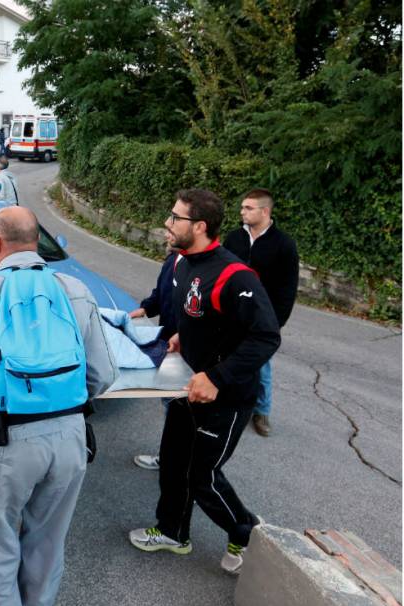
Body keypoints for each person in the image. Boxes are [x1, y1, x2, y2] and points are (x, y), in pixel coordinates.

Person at [0, 207, 117, 606]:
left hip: (7, 440)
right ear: (36, 242)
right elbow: (103, 375)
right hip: (71, 439)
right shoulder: (75, 290)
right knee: (48, 541)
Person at [128, 188, 280, 576]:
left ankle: (248, 534)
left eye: (174, 217)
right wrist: (180, 336)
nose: (167, 222)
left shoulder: (235, 275)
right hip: (186, 386)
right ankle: (173, 532)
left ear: (198, 226)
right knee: (174, 464)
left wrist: (217, 376)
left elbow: (265, 336)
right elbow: (191, 313)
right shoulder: (180, 263)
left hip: (226, 396)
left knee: (203, 478)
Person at [223, 188, 299, 437]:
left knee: (261, 366)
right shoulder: (234, 238)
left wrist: (275, 322)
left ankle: (261, 411)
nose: (242, 211)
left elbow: (288, 288)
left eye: (248, 208)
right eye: (242, 207)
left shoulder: (284, 244)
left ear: (265, 211)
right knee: (225, 357)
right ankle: (226, 403)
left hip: (263, 318)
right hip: (231, 313)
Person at [129, 247, 179, 470]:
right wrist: (146, 308)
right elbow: (161, 293)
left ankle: (176, 463)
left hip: (188, 353)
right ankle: (172, 457)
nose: (168, 229)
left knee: (179, 408)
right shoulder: (173, 260)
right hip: (169, 346)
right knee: (172, 405)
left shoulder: (203, 268)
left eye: (174, 221)